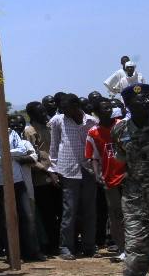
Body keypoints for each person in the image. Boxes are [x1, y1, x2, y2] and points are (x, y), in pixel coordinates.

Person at [96, 84, 149, 276]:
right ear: (128, 105)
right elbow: (121, 159)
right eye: (139, 100)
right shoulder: (120, 130)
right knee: (135, 249)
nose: (146, 103)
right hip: (136, 199)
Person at [0, 113, 44, 262]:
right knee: (6, 221)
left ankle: (32, 252)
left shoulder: (12, 133)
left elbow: (22, 150)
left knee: (27, 216)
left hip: (18, 181)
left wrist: (3, 153)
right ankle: (13, 254)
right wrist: (11, 154)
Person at [50, 93, 100, 259]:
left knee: (89, 210)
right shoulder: (58, 121)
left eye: (66, 108)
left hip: (88, 169)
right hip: (68, 170)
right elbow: (54, 146)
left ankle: (89, 246)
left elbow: (96, 147)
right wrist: (53, 169)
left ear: (76, 106)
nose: (63, 111)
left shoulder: (92, 122)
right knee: (69, 210)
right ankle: (66, 247)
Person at [86, 100, 127, 261]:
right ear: (97, 112)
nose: (109, 110)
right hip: (109, 179)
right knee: (116, 215)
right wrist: (97, 174)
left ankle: (139, 249)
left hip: (129, 176)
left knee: (133, 213)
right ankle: (122, 248)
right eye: (104, 108)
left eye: (110, 107)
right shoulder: (93, 132)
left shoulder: (122, 125)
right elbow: (93, 157)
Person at [24, 102, 60, 255]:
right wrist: (48, 172)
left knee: (58, 211)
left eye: (45, 111)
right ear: (32, 115)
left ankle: (58, 242)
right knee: (47, 214)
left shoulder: (49, 128)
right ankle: (50, 244)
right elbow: (31, 158)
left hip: (56, 173)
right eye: (41, 112)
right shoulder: (29, 131)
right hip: (41, 178)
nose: (44, 114)